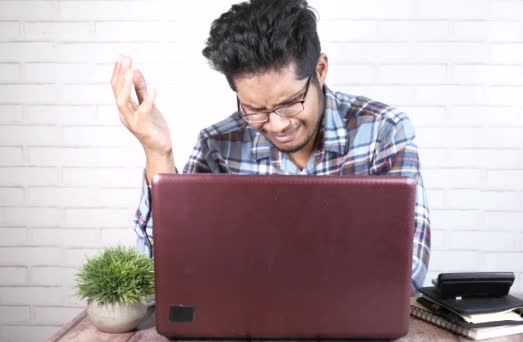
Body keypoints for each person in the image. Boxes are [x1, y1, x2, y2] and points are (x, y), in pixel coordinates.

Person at [111, 0, 431, 293]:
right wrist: (158, 153)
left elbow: (409, 272)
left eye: (291, 103)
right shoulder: (217, 146)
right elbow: (169, 271)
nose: (277, 125)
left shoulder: (384, 130)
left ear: (319, 70)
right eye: (255, 109)